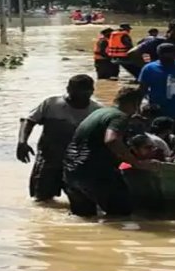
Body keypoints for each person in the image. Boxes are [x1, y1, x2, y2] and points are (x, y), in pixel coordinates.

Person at [63, 86, 155, 217]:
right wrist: (137, 163)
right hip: (95, 173)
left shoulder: (100, 112)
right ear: (136, 104)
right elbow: (111, 140)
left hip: (71, 172)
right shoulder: (119, 117)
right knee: (121, 214)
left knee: (84, 218)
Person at [17, 75, 101, 201]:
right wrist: (22, 142)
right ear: (68, 89)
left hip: (79, 163)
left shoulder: (97, 111)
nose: (80, 97)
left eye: (85, 93)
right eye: (76, 93)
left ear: (92, 92)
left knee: (84, 204)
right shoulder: (52, 104)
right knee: (41, 201)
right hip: (49, 159)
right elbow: (28, 120)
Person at [136, 42, 175, 145]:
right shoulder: (149, 68)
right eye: (164, 55)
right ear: (158, 54)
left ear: (174, 54)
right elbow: (142, 90)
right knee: (157, 140)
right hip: (157, 111)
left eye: (170, 54)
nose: (167, 57)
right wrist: (137, 109)